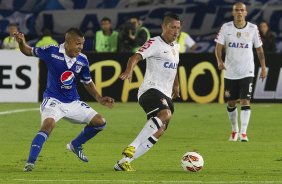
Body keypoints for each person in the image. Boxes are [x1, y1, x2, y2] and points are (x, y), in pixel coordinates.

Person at [14, 28, 115, 172]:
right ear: (67, 43)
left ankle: (75, 145)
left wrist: (99, 98)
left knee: (100, 122)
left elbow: (87, 82)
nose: (80, 47)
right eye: (77, 44)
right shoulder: (51, 51)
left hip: (73, 102)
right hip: (53, 100)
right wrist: (21, 42)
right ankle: (30, 163)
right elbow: (28, 51)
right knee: (48, 125)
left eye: (82, 44)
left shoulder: (82, 59)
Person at [114, 12, 181, 171]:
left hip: (165, 92)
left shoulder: (176, 47)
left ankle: (123, 162)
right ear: (164, 27)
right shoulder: (154, 43)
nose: (176, 31)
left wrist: (176, 86)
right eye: (172, 27)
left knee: (160, 130)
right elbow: (135, 57)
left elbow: (175, 67)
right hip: (150, 89)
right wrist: (129, 70)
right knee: (165, 114)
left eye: (178, 28)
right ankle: (132, 146)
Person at [214, 2, 267, 142]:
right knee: (231, 102)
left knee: (245, 100)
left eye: (241, 10)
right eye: (236, 10)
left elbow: (259, 49)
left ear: (246, 12)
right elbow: (218, 47)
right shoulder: (226, 28)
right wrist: (219, 61)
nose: (239, 12)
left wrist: (263, 67)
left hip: (247, 70)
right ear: (233, 13)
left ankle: (243, 133)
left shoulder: (253, 28)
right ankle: (234, 130)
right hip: (230, 71)